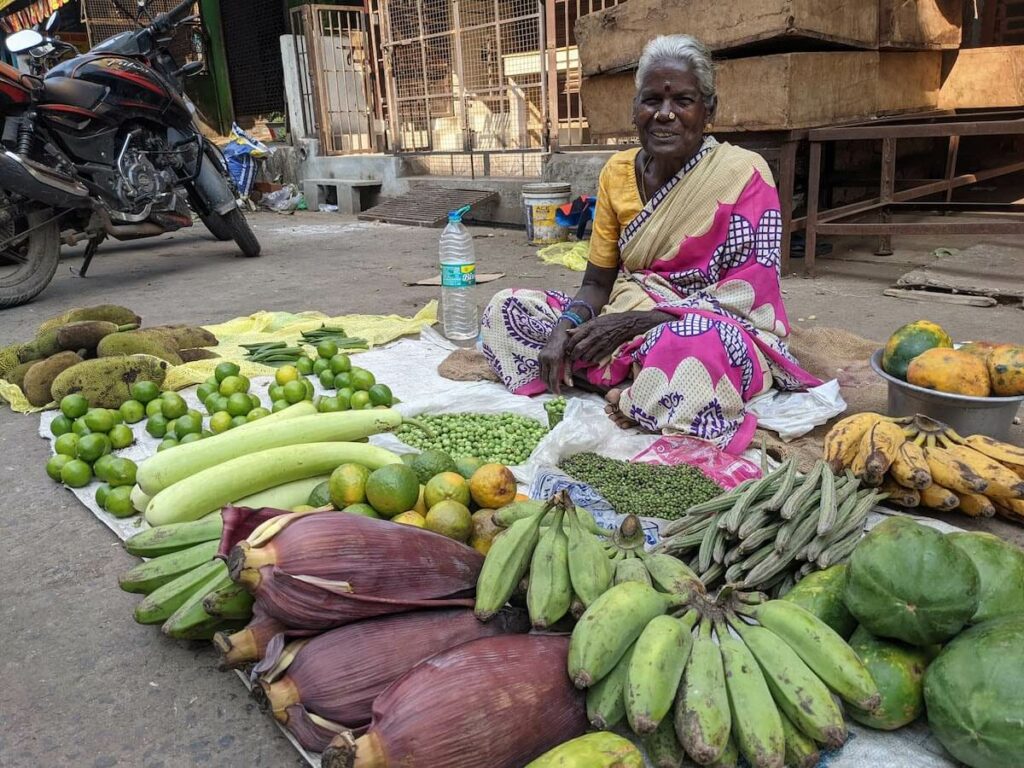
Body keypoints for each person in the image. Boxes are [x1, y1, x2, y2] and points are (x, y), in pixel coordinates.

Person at [481, 34, 820, 453]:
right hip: (626, 318)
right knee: (507, 310)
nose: (665, 114)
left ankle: (622, 385)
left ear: (708, 110)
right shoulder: (616, 172)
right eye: (651, 101)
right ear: (634, 110)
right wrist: (565, 329)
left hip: (707, 329)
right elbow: (596, 284)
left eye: (683, 100)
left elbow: (748, 299)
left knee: (694, 353)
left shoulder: (744, 174)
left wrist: (638, 323)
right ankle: (638, 385)